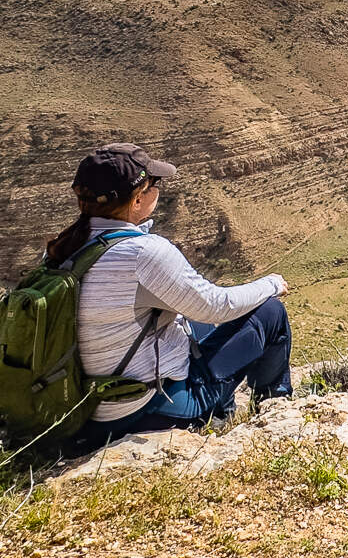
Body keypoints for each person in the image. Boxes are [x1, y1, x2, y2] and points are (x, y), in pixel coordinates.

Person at [47, 142, 293, 451]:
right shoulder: (143, 253)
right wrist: (271, 284)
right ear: (137, 200)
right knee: (269, 314)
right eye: (154, 184)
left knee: (192, 321)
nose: (158, 189)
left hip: (86, 408)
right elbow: (217, 306)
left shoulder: (65, 249)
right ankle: (277, 413)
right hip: (144, 410)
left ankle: (226, 409)